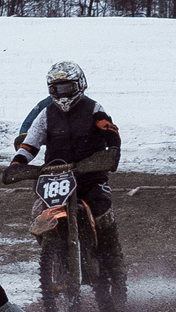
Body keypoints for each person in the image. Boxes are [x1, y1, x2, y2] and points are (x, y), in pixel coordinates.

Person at [11, 60, 127, 295]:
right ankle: (55, 253)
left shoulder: (93, 108)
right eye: (57, 88)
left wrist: (112, 150)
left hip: (90, 175)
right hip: (56, 177)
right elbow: (31, 142)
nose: (63, 93)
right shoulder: (46, 114)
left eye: (67, 87)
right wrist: (17, 162)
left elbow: (110, 131)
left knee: (102, 211)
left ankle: (115, 271)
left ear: (79, 85)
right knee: (38, 211)